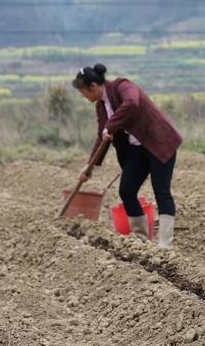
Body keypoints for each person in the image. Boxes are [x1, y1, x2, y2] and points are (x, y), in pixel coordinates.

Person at [73, 64, 183, 249]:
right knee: (127, 191)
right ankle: (142, 241)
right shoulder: (101, 106)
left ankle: (165, 245)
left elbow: (132, 103)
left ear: (93, 86)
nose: (83, 96)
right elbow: (102, 135)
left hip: (159, 142)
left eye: (83, 91)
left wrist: (112, 126)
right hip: (137, 150)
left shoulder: (121, 86)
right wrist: (89, 167)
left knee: (161, 191)